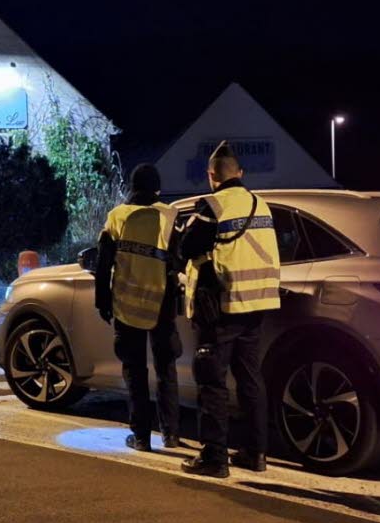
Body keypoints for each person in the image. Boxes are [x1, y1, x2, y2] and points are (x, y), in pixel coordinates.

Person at [178, 141, 280, 478]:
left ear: (211, 176)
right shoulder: (261, 204)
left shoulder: (212, 205)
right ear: (241, 173)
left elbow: (187, 246)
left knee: (212, 381)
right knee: (251, 380)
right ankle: (256, 453)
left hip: (222, 306)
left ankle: (214, 458)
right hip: (258, 303)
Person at [95, 163, 181, 452]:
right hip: (162, 304)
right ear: (157, 188)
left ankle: (141, 436)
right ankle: (171, 434)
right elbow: (179, 262)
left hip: (126, 305)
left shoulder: (117, 216)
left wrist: (102, 302)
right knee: (166, 368)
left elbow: (103, 263)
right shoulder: (170, 216)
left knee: (135, 370)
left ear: (132, 187)